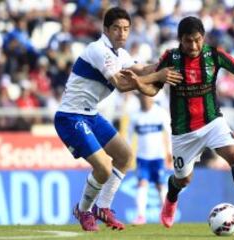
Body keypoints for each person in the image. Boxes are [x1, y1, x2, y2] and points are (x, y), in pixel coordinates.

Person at [126, 16, 234, 228]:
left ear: (203, 38)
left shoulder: (214, 55)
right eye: (188, 41)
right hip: (184, 132)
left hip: (213, 122)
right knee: (183, 180)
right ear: (180, 40)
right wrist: (140, 84)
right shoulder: (171, 58)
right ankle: (171, 199)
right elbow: (153, 89)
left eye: (197, 40)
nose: (193, 45)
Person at [54, 7, 182, 232]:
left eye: (126, 29)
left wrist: (167, 62)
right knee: (103, 167)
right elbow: (122, 85)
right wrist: (158, 76)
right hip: (70, 116)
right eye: (116, 28)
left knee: (125, 156)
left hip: (90, 114)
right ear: (106, 29)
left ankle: (103, 207)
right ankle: (83, 210)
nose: (122, 33)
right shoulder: (98, 50)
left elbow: (142, 69)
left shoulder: (120, 54)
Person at [128, 94, 172, 225]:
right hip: (142, 157)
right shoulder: (135, 116)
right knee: (142, 183)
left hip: (158, 156)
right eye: (142, 97)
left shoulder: (160, 113)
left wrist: (170, 151)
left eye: (147, 97)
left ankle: (166, 215)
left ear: (152, 98)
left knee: (160, 184)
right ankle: (141, 216)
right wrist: (128, 154)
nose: (145, 99)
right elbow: (129, 137)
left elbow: (169, 132)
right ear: (139, 98)